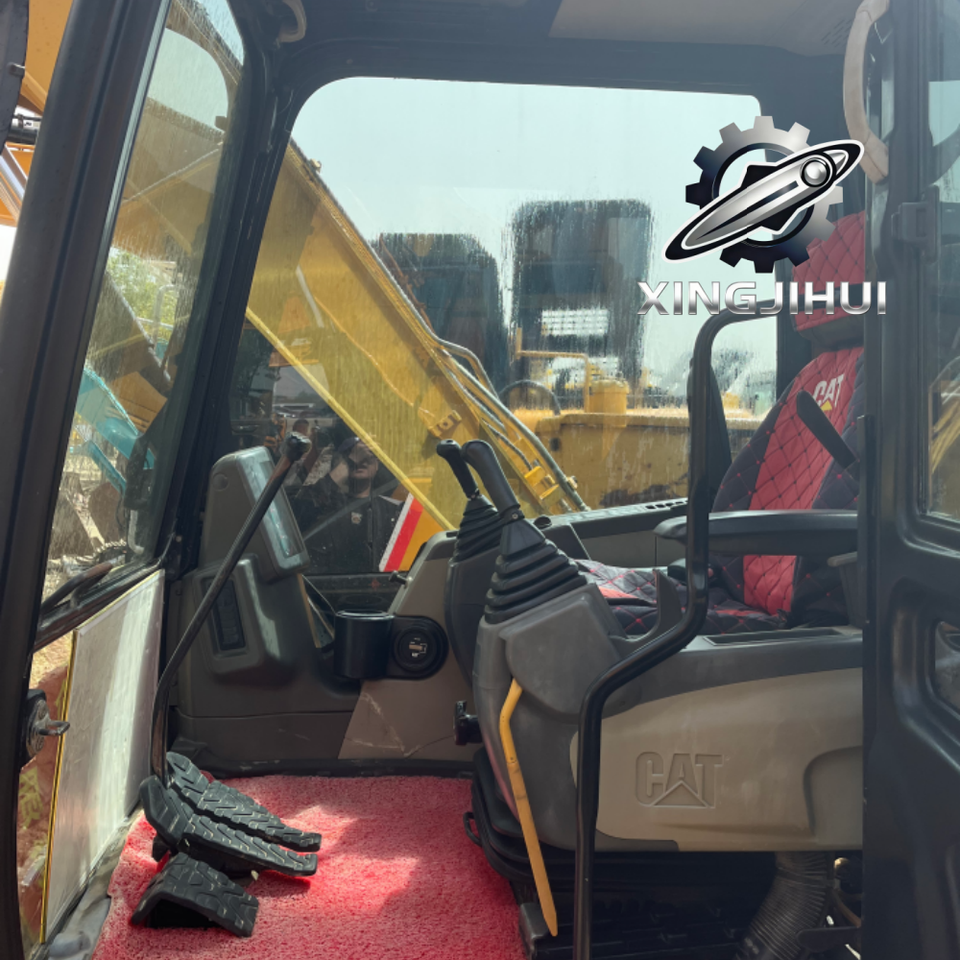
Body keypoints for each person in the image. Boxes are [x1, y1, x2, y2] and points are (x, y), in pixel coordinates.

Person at [289, 437, 402, 574]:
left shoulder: (392, 511)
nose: (361, 461)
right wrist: (350, 461)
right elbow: (298, 513)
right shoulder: (326, 506)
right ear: (339, 463)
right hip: (326, 583)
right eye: (353, 453)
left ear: (377, 465)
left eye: (369, 455)